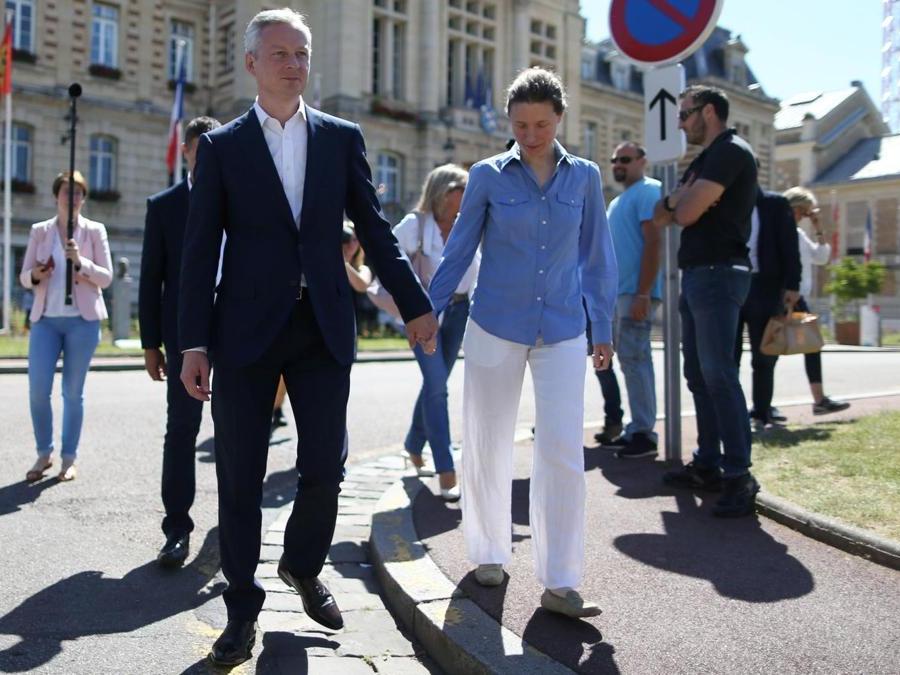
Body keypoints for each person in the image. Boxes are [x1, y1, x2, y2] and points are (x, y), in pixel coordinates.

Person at [177, 9, 437, 667]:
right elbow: (200, 248)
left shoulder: (341, 138)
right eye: (280, 53)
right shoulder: (223, 147)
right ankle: (241, 608)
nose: (293, 64)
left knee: (325, 466)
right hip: (245, 332)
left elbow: (375, 231)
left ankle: (301, 563)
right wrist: (192, 342)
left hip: (322, 325)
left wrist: (414, 305)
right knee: (241, 475)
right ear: (252, 65)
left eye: (302, 52)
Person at [429, 67, 616, 618]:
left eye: (540, 124)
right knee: (487, 441)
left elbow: (597, 255)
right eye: (520, 125)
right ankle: (488, 552)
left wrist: (601, 327)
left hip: (562, 327)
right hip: (494, 324)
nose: (530, 135)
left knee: (561, 451)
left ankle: (560, 581)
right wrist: (430, 310)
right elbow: (460, 249)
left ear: (560, 119)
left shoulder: (584, 178)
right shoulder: (487, 174)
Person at [652, 85, 760, 518]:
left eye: (685, 113)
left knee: (719, 374)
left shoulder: (731, 152)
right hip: (699, 274)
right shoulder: (702, 160)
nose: (679, 122)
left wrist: (681, 200)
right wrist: (680, 199)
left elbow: (684, 214)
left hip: (719, 273)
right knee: (699, 375)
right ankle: (710, 463)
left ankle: (739, 474)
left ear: (708, 112)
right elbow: (663, 215)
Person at [139, 115, 222, 568]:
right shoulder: (165, 206)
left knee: (235, 434)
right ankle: (176, 528)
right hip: (182, 336)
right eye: (199, 148)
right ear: (186, 151)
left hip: (236, 332)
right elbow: (151, 279)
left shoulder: (242, 200)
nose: (207, 155)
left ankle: (233, 525)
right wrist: (151, 344)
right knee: (182, 431)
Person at [19, 170, 113, 483]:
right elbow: (24, 276)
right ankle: (44, 453)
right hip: (46, 321)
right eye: (66, 192)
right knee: (37, 391)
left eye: (77, 193)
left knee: (73, 392)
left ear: (83, 198)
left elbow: (107, 277)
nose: (71, 198)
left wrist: (81, 262)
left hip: (81, 323)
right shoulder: (39, 231)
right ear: (56, 196)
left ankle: (68, 458)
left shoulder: (94, 231)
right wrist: (36, 274)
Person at [395, 164, 476, 502]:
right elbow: (390, 258)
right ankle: (446, 471)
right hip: (425, 315)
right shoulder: (416, 224)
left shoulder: (467, 224)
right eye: (459, 195)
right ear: (442, 194)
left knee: (435, 383)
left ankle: (414, 444)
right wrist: (414, 301)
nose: (464, 202)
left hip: (460, 311)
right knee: (438, 388)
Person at [601, 141, 663, 458]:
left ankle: (644, 432)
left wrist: (643, 291)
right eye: (614, 159)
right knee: (629, 360)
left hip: (636, 293)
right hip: (620, 293)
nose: (618, 164)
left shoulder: (649, 191)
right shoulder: (620, 200)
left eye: (625, 159)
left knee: (636, 360)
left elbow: (654, 242)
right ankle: (636, 428)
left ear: (643, 160)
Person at [734, 188, 801, 431]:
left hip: (766, 287)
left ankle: (762, 412)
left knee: (764, 356)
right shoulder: (728, 201)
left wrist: (793, 286)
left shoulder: (775, 204)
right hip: (732, 283)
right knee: (730, 357)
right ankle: (733, 413)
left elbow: (790, 246)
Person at [783, 186, 850, 415]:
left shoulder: (800, 234)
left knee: (812, 347)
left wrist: (819, 228)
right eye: (802, 211)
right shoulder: (779, 231)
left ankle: (819, 400)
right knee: (770, 351)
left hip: (800, 298)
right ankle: (762, 407)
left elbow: (821, 258)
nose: (803, 216)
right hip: (786, 298)